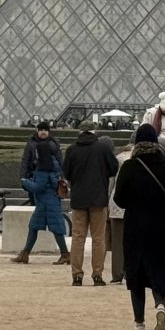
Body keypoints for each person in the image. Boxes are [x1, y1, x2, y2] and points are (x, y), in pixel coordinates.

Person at [112, 124, 165, 330]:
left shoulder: (130, 166)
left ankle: (139, 324)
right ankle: (160, 305)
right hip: (162, 227)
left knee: (137, 274)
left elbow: (119, 199)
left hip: (136, 227)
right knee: (159, 269)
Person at [63, 121, 119, 286]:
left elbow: (66, 172)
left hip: (78, 198)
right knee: (98, 238)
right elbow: (113, 169)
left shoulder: (72, 149)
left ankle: (77, 275)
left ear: (80, 131)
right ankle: (97, 274)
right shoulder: (103, 149)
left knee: (78, 238)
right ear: (95, 131)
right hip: (98, 198)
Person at [15, 149, 69, 264]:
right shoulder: (55, 166)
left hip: (44, 203)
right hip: (52, 201)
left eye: (37, 152)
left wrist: (25, 182)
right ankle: (25, 254)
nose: (35, 154)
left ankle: (65, 254)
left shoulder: (42, 169)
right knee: (49, 227)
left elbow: (38, 187)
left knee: (36, 227)